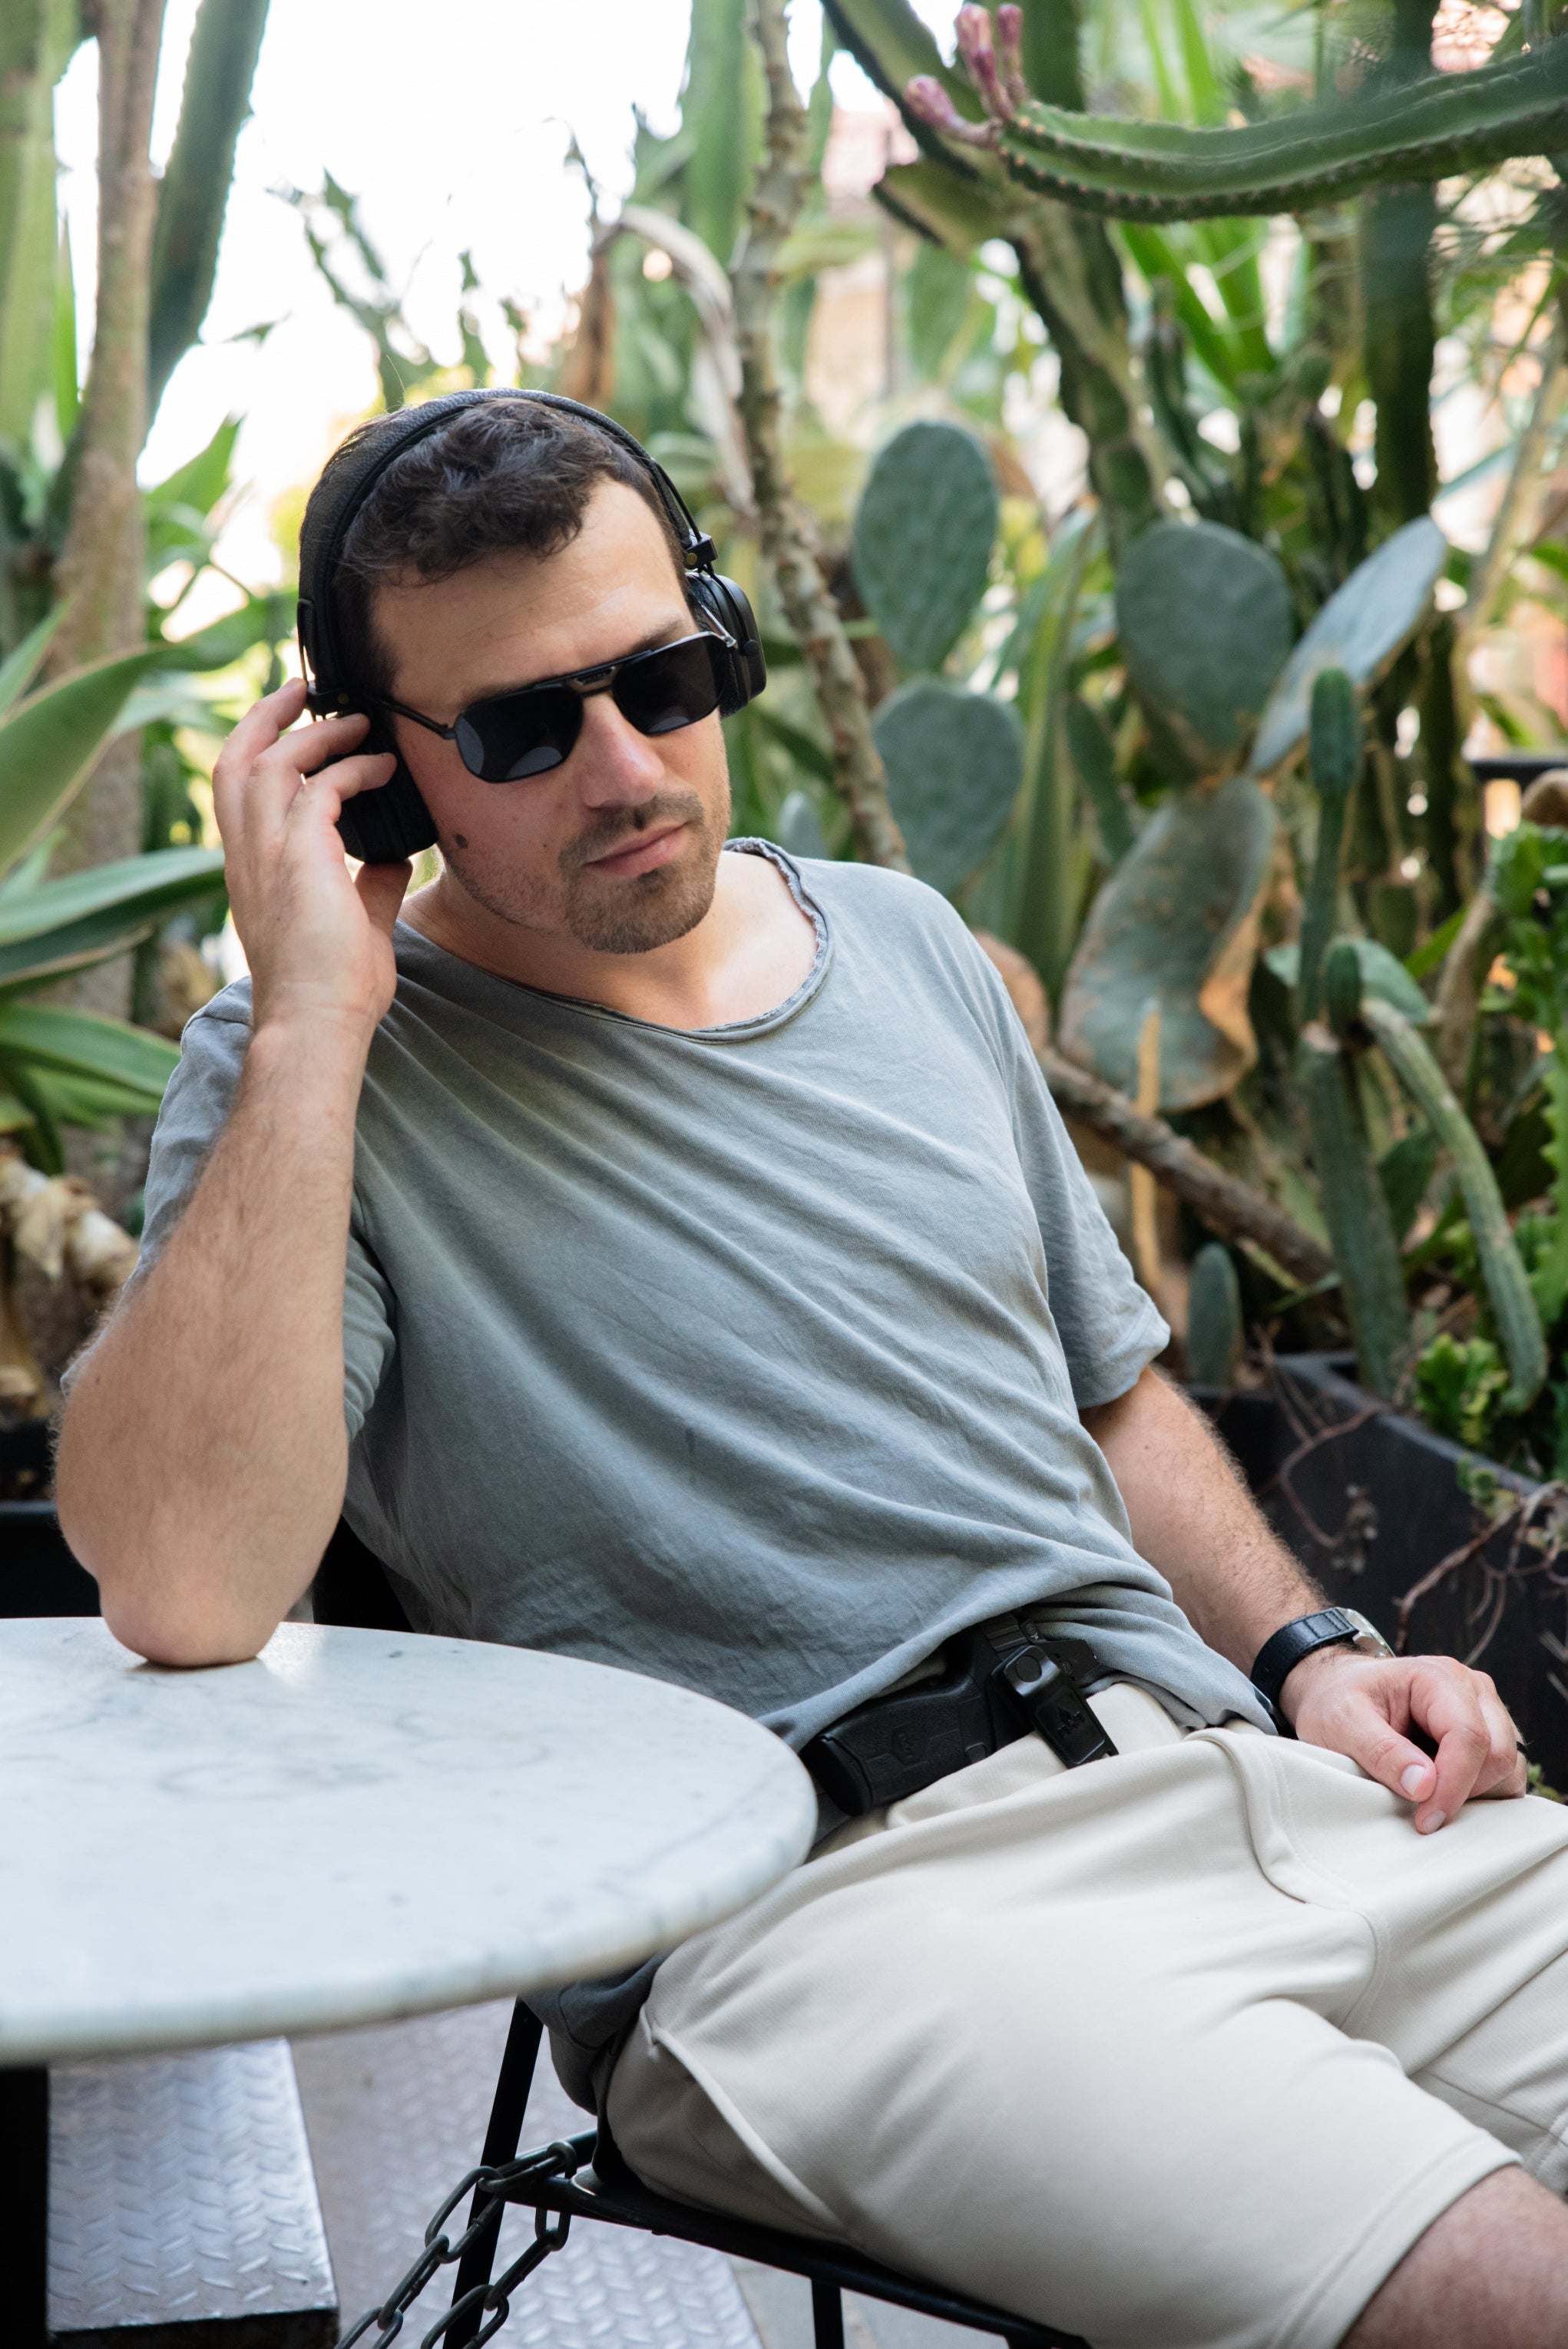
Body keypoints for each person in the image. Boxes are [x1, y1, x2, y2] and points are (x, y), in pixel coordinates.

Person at [57, 392, 1568, 2349]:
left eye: (664, 678)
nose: (624, 768)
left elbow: (1108, 1400)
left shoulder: (909, 944)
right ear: (378, 773)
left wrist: (1312, 1655)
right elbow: (181, 1582)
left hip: (1236, 1776)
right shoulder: (320, 1084)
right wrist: (312, 1029)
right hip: (832, 1905)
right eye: (522, 729)